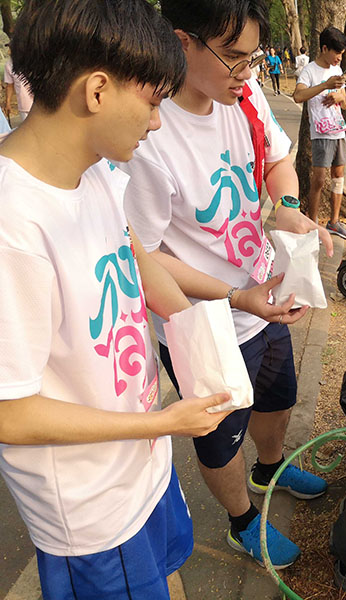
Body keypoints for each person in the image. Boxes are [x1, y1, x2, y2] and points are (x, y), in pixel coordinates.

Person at [0, 0, 236, 597]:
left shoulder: (95, 171)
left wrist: (201, 344)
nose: (157, 123)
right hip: (94, 509)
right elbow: (10, 412)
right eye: (154, 102)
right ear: (97, 91)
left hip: (146, 461)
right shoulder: (13, 225)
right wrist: (162, 421)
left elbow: (136, 257)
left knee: (168, 569)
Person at [122, 0, 333, 569]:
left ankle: (272, 469)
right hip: (201, 318)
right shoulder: (146, 131)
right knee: (220, 436)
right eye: (233, 57)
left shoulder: (244, 94)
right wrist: (236, 298)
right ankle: (243, 520)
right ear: (180, 41)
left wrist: (287, 207)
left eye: (252, 57)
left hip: (260, 294)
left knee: (278, 396)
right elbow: (142, 255)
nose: (246, 71)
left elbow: (277, 163)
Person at [294, 26, 346, 239]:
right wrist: (324, 85)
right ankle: (313, 223)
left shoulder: (337, 70)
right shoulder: (310, 70)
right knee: (318, 179)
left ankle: (334, 222)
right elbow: (298, 96)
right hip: (320, 133)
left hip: (339, 131)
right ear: (324, 48)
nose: (339, 57)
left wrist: (340, 96)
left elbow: (345, 104)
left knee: (338, 176)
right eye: (336, 52)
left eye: (342, 53)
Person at [3, 44, 34, 124]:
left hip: (38, 103)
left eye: (11, 48)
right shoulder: (9, 65)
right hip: (24, 105)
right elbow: (9, 86)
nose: (9, 51)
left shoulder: (31, 61)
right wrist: (8, 103)